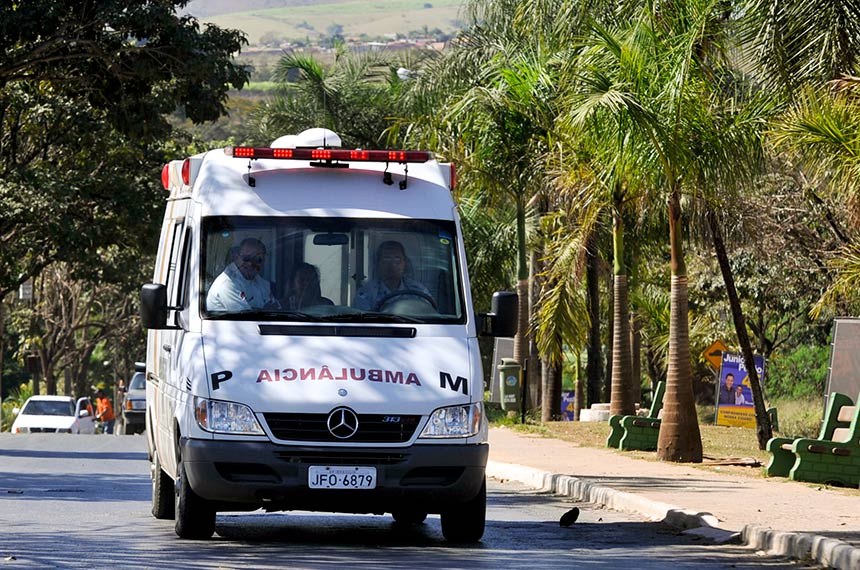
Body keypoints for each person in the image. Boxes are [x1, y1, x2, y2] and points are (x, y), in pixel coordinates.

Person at [353, 240, 432, 311]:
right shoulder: (367, 292)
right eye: (386, 259)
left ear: (404, 263)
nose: (392, 264)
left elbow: (430, 315)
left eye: (397, 259)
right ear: (379, 263)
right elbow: (363, 322)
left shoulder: (418, 291)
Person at [207, 237, 279, 312]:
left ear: (263, 262)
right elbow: (247, 320)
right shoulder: (228, 283)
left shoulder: (258, 280)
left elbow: (275, 308)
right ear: (237, 257)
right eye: (246, 258)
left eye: (258, 259)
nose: (250, 263)